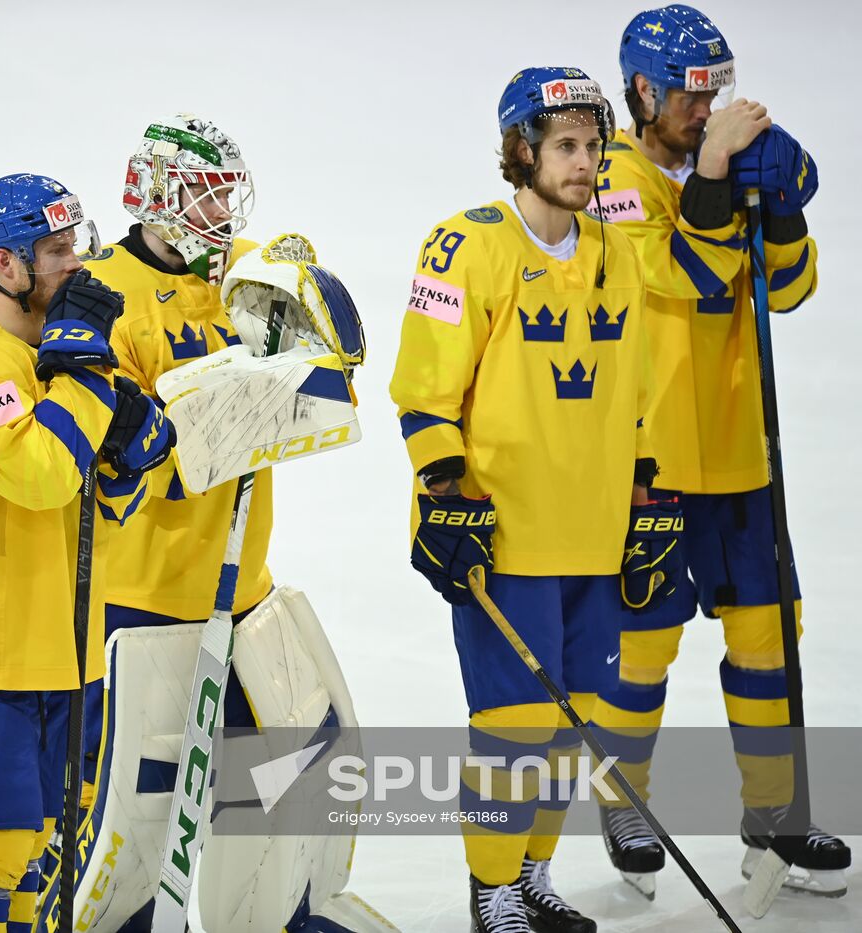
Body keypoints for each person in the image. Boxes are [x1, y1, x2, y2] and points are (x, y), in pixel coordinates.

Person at [59, 114, 386, 933]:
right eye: (202, 194)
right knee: (139, 817)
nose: (221, 212)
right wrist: (227, 409)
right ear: (154, 195)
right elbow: (118, 458)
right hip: (144, 603)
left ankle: (277, 917)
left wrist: (306, 337)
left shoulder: (250, 270)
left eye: (225, 193)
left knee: (297, 772)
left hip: (243, 591)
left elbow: (336, 386)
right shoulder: (99, 295)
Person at [390, 67, 671, 933]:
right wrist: (443, 496)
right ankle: (493, 893)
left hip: (596, 531)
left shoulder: (617, 252)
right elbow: (423, 393)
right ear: (522, 151)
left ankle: (533, 875)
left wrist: (645, 500)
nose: (586, 162)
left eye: (593, 145)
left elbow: (635, 396)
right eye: (566, 146)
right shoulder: (465, 245)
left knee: (575, 721)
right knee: (513, 726)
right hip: (503, 535)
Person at [591, 4, 847, 900]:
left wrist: (780, 211)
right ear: (642, 91)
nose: (706, 111)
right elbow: (681, 275)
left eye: (715, 94)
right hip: (649, 457)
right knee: (641, 646)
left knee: (769, 636)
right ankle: (623, 804)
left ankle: (775, 813)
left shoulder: (727, 163)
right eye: (689, 97)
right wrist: (712, 176)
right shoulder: (610, 175)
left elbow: (792, 288)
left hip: (741, 448)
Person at [0, 172, 173, 933]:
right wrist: (84, 377)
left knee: (46, 851)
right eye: (55, 250)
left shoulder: (65, 355)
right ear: (6, 265)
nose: (76, 263)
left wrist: (127, 460)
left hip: (63, 646)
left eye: (76, 243)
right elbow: (37, 475)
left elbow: (103, 508)